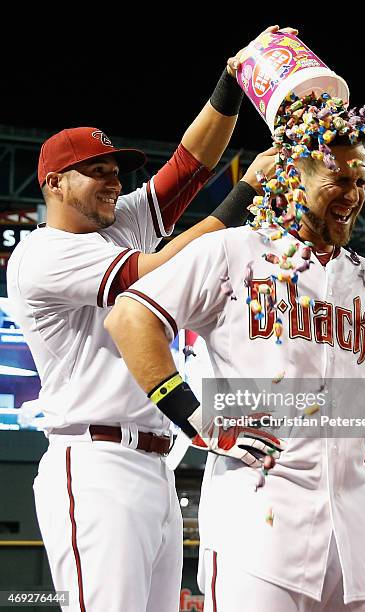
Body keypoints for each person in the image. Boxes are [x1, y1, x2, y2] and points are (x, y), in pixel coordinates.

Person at [6, 24, 298, 612]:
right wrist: (249, 188)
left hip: (157, 465)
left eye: (118, 168)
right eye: (97, 169)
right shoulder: (43, 254)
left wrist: (234, 80)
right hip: (93, 464)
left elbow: (191, 163)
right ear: (54, 183)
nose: (115, 178)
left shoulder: (116, 222)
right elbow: (162, 269)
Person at [105, 94, 365, 611]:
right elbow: (130, 317)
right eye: (339, 179)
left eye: (361, 181)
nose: (354, 194)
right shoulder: (232, 251)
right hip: (257, 529)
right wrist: (196, 418)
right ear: (295, 178)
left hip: (351, 537)